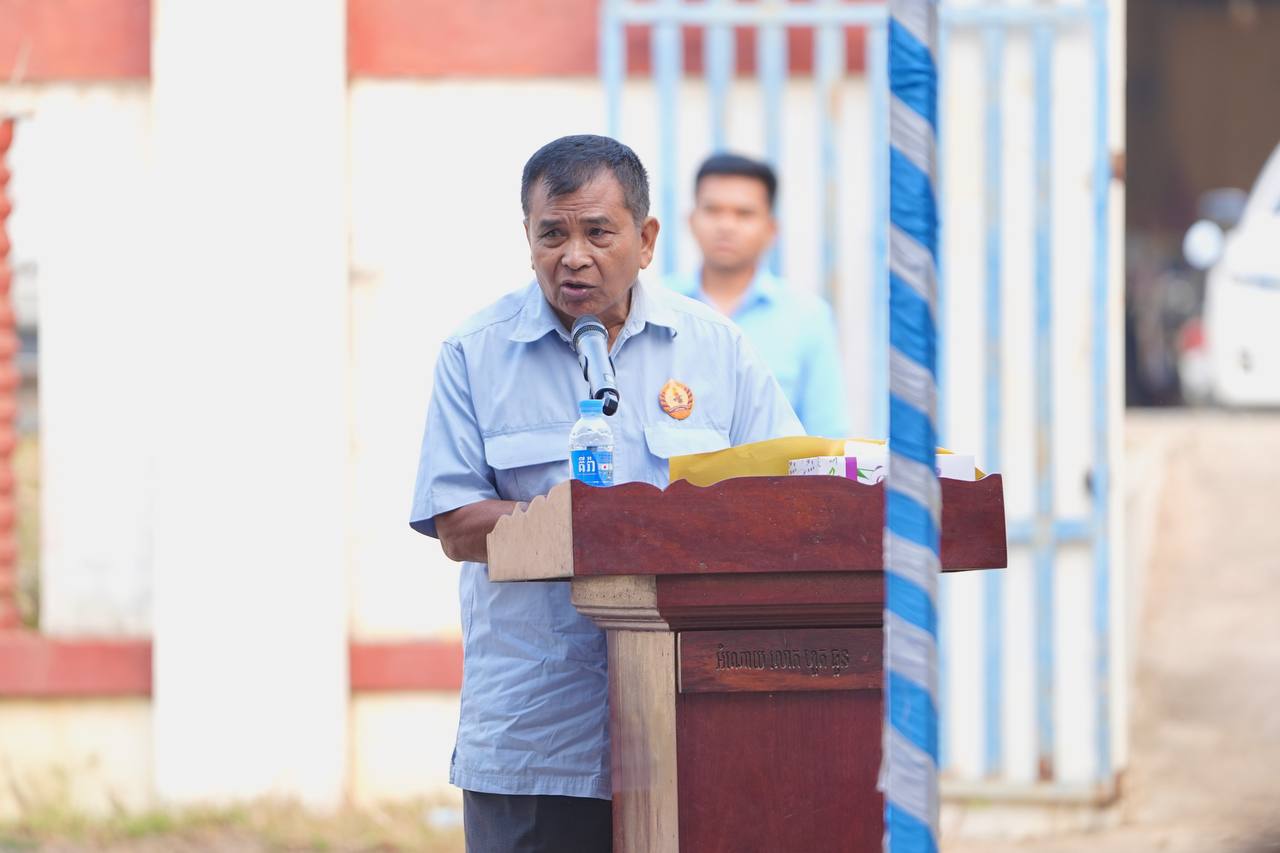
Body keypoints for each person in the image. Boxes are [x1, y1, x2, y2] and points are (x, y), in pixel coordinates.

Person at [409, 135, 802, 853]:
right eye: (551, 235)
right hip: (537, 734)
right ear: (527, 239)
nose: (574, 256)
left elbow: (786, 495)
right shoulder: (475, 353)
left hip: (690, 721)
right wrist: (591, 527)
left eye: (598, 232)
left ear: (646, 240)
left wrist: (659, 534)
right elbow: (457, 522)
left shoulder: (715, 348)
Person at [668, 152, 851, 438]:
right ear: (691, 220)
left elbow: (827, 434)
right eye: (713, 210)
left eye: (744, 213)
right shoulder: (658, 305)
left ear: (771, 229)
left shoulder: (807, 317)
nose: (726, 226)